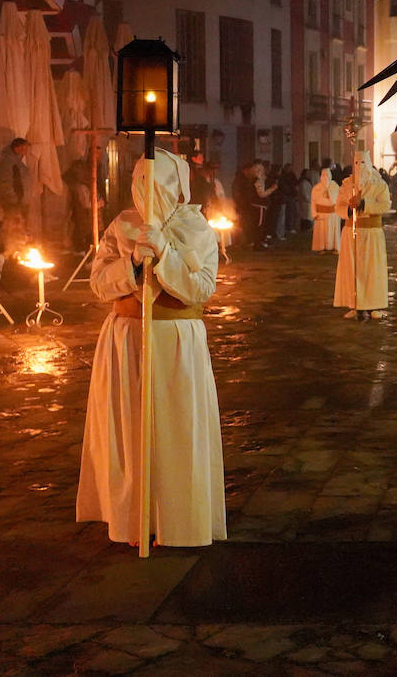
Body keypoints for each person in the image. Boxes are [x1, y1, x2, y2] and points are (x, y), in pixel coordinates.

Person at [76, 148, 225, 548]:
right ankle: (135, 519)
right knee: (131, 426)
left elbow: (201, 288)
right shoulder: (123, 225)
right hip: (127, 340)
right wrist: (133, 267)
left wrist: (165, 255)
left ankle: (177, 519)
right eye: (141, 182)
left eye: (159, 182)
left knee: (175, 430)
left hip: (175, 341)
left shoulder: (197, 228)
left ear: (179, 187)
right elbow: (98, 281)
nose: (150, 191)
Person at [334, 154, 391, 319]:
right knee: (353, 269)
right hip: (352, 233)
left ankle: (374, 305)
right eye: (357, 163)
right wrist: (350, 208)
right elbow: (338, 206)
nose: (360, 166)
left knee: (372, 270)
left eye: (363, 162)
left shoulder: (379, 185)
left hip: (371, 234)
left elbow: (385, 205)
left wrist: (364, 204)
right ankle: (355, 304)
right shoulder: (346, 185)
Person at [310, 168, 341, 253]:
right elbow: (313, 202)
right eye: (323, 175)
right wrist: (314, 213)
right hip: (321, 214)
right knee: (321, 233)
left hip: (332, 214)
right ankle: (320, 248)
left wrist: (330, 195)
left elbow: (338, 199)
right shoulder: (316, 188)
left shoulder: (335, 186)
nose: (325, 177)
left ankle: (334, 247)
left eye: (327, 175)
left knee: (332, 233)